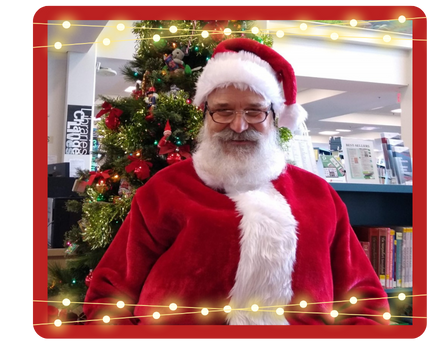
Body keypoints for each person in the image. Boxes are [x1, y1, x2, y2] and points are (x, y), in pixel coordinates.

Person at [83, 38, 390, 325]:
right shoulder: (164, 190)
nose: (239, 125)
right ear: (206, 115)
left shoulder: (318, 195)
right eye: (223, 111)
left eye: (255, 111)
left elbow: (365, 301)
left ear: (274, 117)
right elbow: (109, 293)